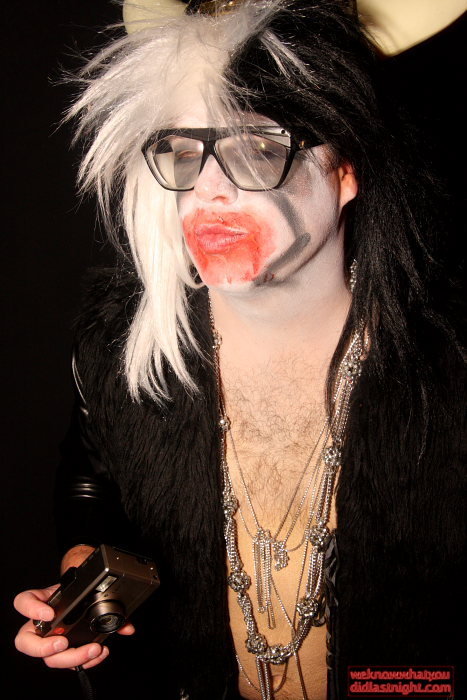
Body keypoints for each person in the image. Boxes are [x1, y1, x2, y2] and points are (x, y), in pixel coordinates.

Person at [13, 1, 465, 698]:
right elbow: (91, 474)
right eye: (181, 151)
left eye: (259, 148)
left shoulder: (450, 367)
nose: (207, 190)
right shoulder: (123, 351)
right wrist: (84, 561)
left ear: (347, 168)